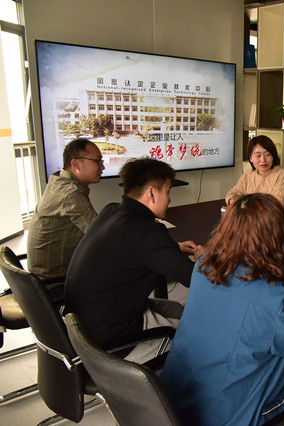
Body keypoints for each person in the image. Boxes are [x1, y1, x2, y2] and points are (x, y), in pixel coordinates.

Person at [160, 193, 284, 426]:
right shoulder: (275, 303)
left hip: (173, 406)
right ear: (278, 238)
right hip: (228, 417)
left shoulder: (204, 265)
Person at [65, 158, 200, 361]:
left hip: (84, 328)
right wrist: (212, 257)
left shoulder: (111, 211)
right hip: (111, 341)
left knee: (175, 310)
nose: (169, 199)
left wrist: (173, 248)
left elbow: (134, 249)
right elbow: (195, 279)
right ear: (152, 193)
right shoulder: (147, 232)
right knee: (197, 342)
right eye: (167, 191)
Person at [27, 138, 104, 300]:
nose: (102, 167)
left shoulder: (59, 181)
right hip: (54, 283)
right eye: (97, 161)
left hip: (41, 278)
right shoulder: (70, 193)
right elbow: (100, 235)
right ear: (76, 164)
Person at [225, 135, 284, 209]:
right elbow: (232, 193)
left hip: (274, 216)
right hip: (250, 214)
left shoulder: (282, 174)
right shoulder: (249, 174)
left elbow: (275, 205)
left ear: (273, 156)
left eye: (267, 155)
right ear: (250, 158)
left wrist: (244, 205)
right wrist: (232, 201)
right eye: (258, 156)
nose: (263, 160)